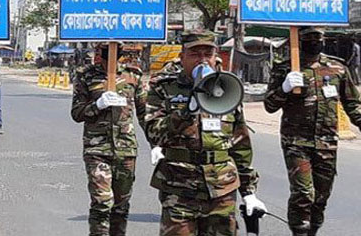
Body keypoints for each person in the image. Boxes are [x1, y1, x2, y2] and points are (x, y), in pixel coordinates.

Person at [145, 29, 266, 236]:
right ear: (182, 57)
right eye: (195, 54)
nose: (202, 60)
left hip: (222, 188)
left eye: (207, 54)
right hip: (179, 187)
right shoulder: (165, 88)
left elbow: (240, 145)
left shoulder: (228, 88)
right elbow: (153, 133)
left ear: (215, 55)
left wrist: (249, 192)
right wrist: (184, 113)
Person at [265, 27, 361, 236]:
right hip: (296, 142)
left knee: (321, 196)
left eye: (318, 37)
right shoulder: (286, 68)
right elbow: (269, 106)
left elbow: (353, 104)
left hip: (327, 142)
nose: (314, 40)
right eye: (309, 37)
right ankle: (299, 232)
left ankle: (312, 231)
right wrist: (284, 88)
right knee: (303, 193)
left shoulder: (337, 68)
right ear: (299, 40)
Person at [71, 43, 147, 236]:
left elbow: (146, 115)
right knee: (102, 203)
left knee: (121, 206)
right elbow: (77, 113)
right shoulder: (86, 76)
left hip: (126, 150)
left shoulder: (133, 76)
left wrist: (158, 145)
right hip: (97, 150)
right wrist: (97, 105)